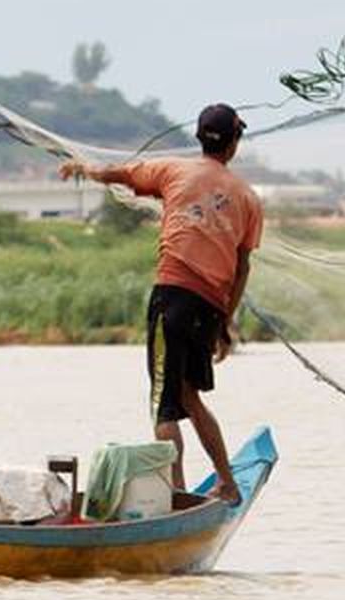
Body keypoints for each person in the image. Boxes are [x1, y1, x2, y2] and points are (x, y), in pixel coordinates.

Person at [60, 103, 261, 504]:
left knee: (164, 406)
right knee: (188, 396)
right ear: (234, 143)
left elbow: (118, 173)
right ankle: (226, 481)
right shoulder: (247, 197)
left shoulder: (173, 171)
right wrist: (224, 322)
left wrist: (84, 168)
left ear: (200, 138)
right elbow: (241, 269)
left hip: (172, 298)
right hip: (209, 308)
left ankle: (178, 497)